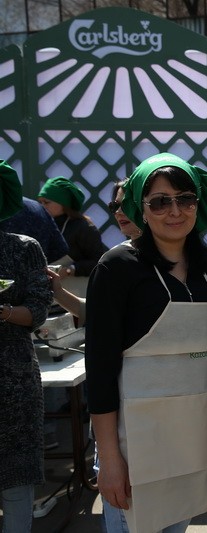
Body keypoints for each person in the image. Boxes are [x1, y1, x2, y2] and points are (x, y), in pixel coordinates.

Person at [85, 153, 207, 533]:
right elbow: (99, 372)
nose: (174, 211)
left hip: (191, 440)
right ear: (142, 209)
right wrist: (109, 459)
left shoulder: (206, 270)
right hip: (135, 446)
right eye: (160, 202)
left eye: (185, 199)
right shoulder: (117, 268)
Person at [0, 160, 52, 533]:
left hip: (13, 384)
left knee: (16, 484)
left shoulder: (23, 248)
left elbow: (37, 311)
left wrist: (3, 311)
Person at [49, 179, 143, 325]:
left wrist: (70, 270)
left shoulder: (83, 228)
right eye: (114, 206)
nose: (118, 212)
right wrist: (57, 291)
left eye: (127, 205)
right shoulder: (116, 259)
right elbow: (98, 310)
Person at [37, 176, 108, 296]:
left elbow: (99, 262)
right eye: (40, 202)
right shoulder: (40, 225)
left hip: (78, 294)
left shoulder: (84, 227)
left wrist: (70, 270)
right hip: (48, 294)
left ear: (63, 203)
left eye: (47, 202)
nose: (42, 206)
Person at [0, 196, 69, 264]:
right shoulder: (36, 206)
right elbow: (59, 249)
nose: (44, 204)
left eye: (46, 202)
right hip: (38, 268)